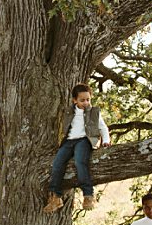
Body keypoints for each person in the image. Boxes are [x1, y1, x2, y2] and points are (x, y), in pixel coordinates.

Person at [43, 83, 111, 213]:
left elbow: (103, 127)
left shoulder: (94, 112)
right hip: (69, 141)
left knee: (80, 161)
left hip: (84, 140)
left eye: (88, 99)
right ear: (75, 100)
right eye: (82, 100)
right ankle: (55, 196)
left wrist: (106, 140)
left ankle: (88, 194)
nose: (86, 103)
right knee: (57, 163)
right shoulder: (69, 111)